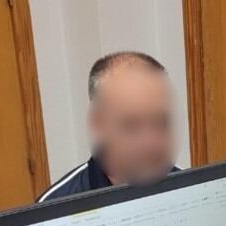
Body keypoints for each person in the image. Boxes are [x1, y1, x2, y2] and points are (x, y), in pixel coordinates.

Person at [38, 51, 177, 202]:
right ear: (97, 123)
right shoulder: (55, 209)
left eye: (160, 122)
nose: (150, 142)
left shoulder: (187, 187)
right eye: (131, 125)